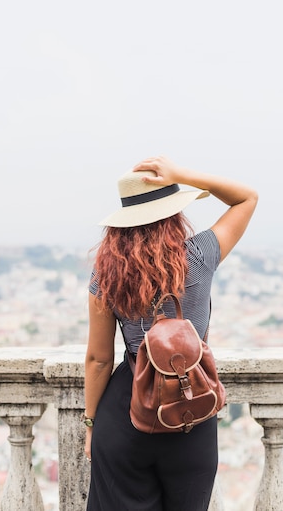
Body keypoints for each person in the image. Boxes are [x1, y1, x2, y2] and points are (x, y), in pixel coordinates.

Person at [83, 155, 258, 511]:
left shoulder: (106, 275)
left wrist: (91, 424)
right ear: (174, 212)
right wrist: (181, 174)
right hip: (191, 408)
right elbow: (246, 197)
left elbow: (99, 359)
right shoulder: (199, 255)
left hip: (125, 414)